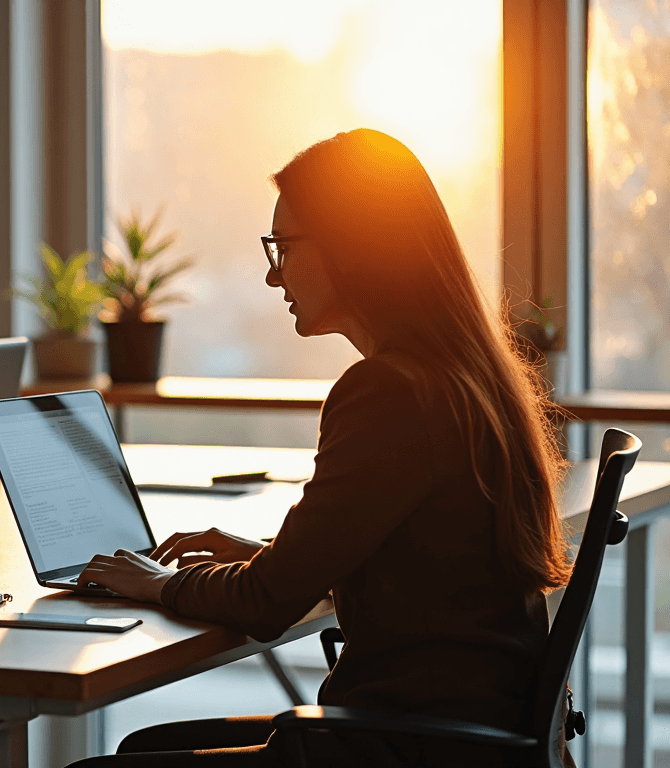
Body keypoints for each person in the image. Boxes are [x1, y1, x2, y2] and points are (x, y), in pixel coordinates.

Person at [70, 129, 571, 767]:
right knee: (143, 747)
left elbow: (266, 605)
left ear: (349, 246)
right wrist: (275, 557)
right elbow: (419, 574)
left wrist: (159, 584)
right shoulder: (468, 379)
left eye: (283, 245)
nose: (272, 273)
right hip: (467, 741)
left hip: (396, 749)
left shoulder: (388, 392)